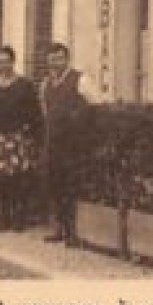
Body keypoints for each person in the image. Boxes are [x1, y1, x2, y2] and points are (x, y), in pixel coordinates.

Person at [0, 46, 42, 232]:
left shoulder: (24, 85)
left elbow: (34, 111)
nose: (4, 65)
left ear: (13, 62)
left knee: (18, 180)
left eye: (7, 61)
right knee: (0, 180)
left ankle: (19, 218)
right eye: (0, 61)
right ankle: (3, 217)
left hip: (17, 138)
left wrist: (29, 132)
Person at [40, 41, 92, 245]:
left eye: (59, 59)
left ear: (67, 59)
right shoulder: (45, 85)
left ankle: (73, 232)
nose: (55, 63)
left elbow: (96, 105)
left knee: (72, 186)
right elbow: (46, 114)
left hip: (75, 144)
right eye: (52, 59)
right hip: (54, 144)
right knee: (55, 185)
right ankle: (59, 229)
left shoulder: (80, 80)